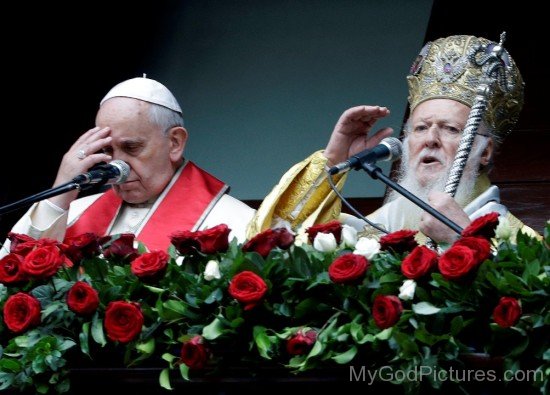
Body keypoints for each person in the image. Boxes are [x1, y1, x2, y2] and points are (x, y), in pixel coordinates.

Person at [247, 35, 539, 245]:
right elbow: (274, 241)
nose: (431, 140)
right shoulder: (376, 229)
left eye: (450, 129)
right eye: (421, 128)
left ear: (484, 151)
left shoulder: (519, 244)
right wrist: (335, 159)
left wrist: (463, 240)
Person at [1, 77, 255, 256]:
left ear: (175, 143)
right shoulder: (73, 211)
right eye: (107, 151)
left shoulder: (237, 224)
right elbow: (11, 281)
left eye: (131, 148)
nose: (117, 166)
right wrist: (60, 194)